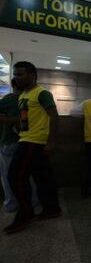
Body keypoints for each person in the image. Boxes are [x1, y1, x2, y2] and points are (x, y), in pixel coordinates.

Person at [5, 61, 60, 234]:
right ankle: (52, 209)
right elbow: (24, 120)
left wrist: (50, 142)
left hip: (34, 142)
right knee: (43, 177)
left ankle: (26, 213)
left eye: (20, 74)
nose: (17, 77)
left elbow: (54, 117)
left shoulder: (42, 93)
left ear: (32, 75)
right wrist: (20, 127)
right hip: (26, 138)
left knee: (15, 176)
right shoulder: (22, 96)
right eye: (15, 74)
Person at [0, 78, 38, 212]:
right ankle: (33, 200)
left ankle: (12, 203)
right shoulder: (32, 99)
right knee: (28, 173)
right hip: (29, 141)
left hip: (9, 141)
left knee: (7, 175)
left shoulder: (9, 99)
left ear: (13, 85)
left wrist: (8, 119)